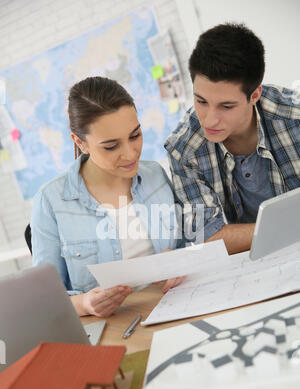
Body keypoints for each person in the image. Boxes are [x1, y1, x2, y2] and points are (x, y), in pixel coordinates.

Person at [31, 76, 184, 318]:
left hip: (176, 306)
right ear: (80, 142)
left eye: (135, 135)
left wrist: (177, 260)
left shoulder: (155, 174)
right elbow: (42, 299)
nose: (130, 153)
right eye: (111, 146)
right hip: (111, 326)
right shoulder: (50, 201)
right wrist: (84, 304)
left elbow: (187, 245)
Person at [165, 23, 300, 254]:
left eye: (226, 106)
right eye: (201, 101)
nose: (209, 120)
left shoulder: (295, 117)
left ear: (254, 94)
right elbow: (207, 238)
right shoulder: (183, 149)